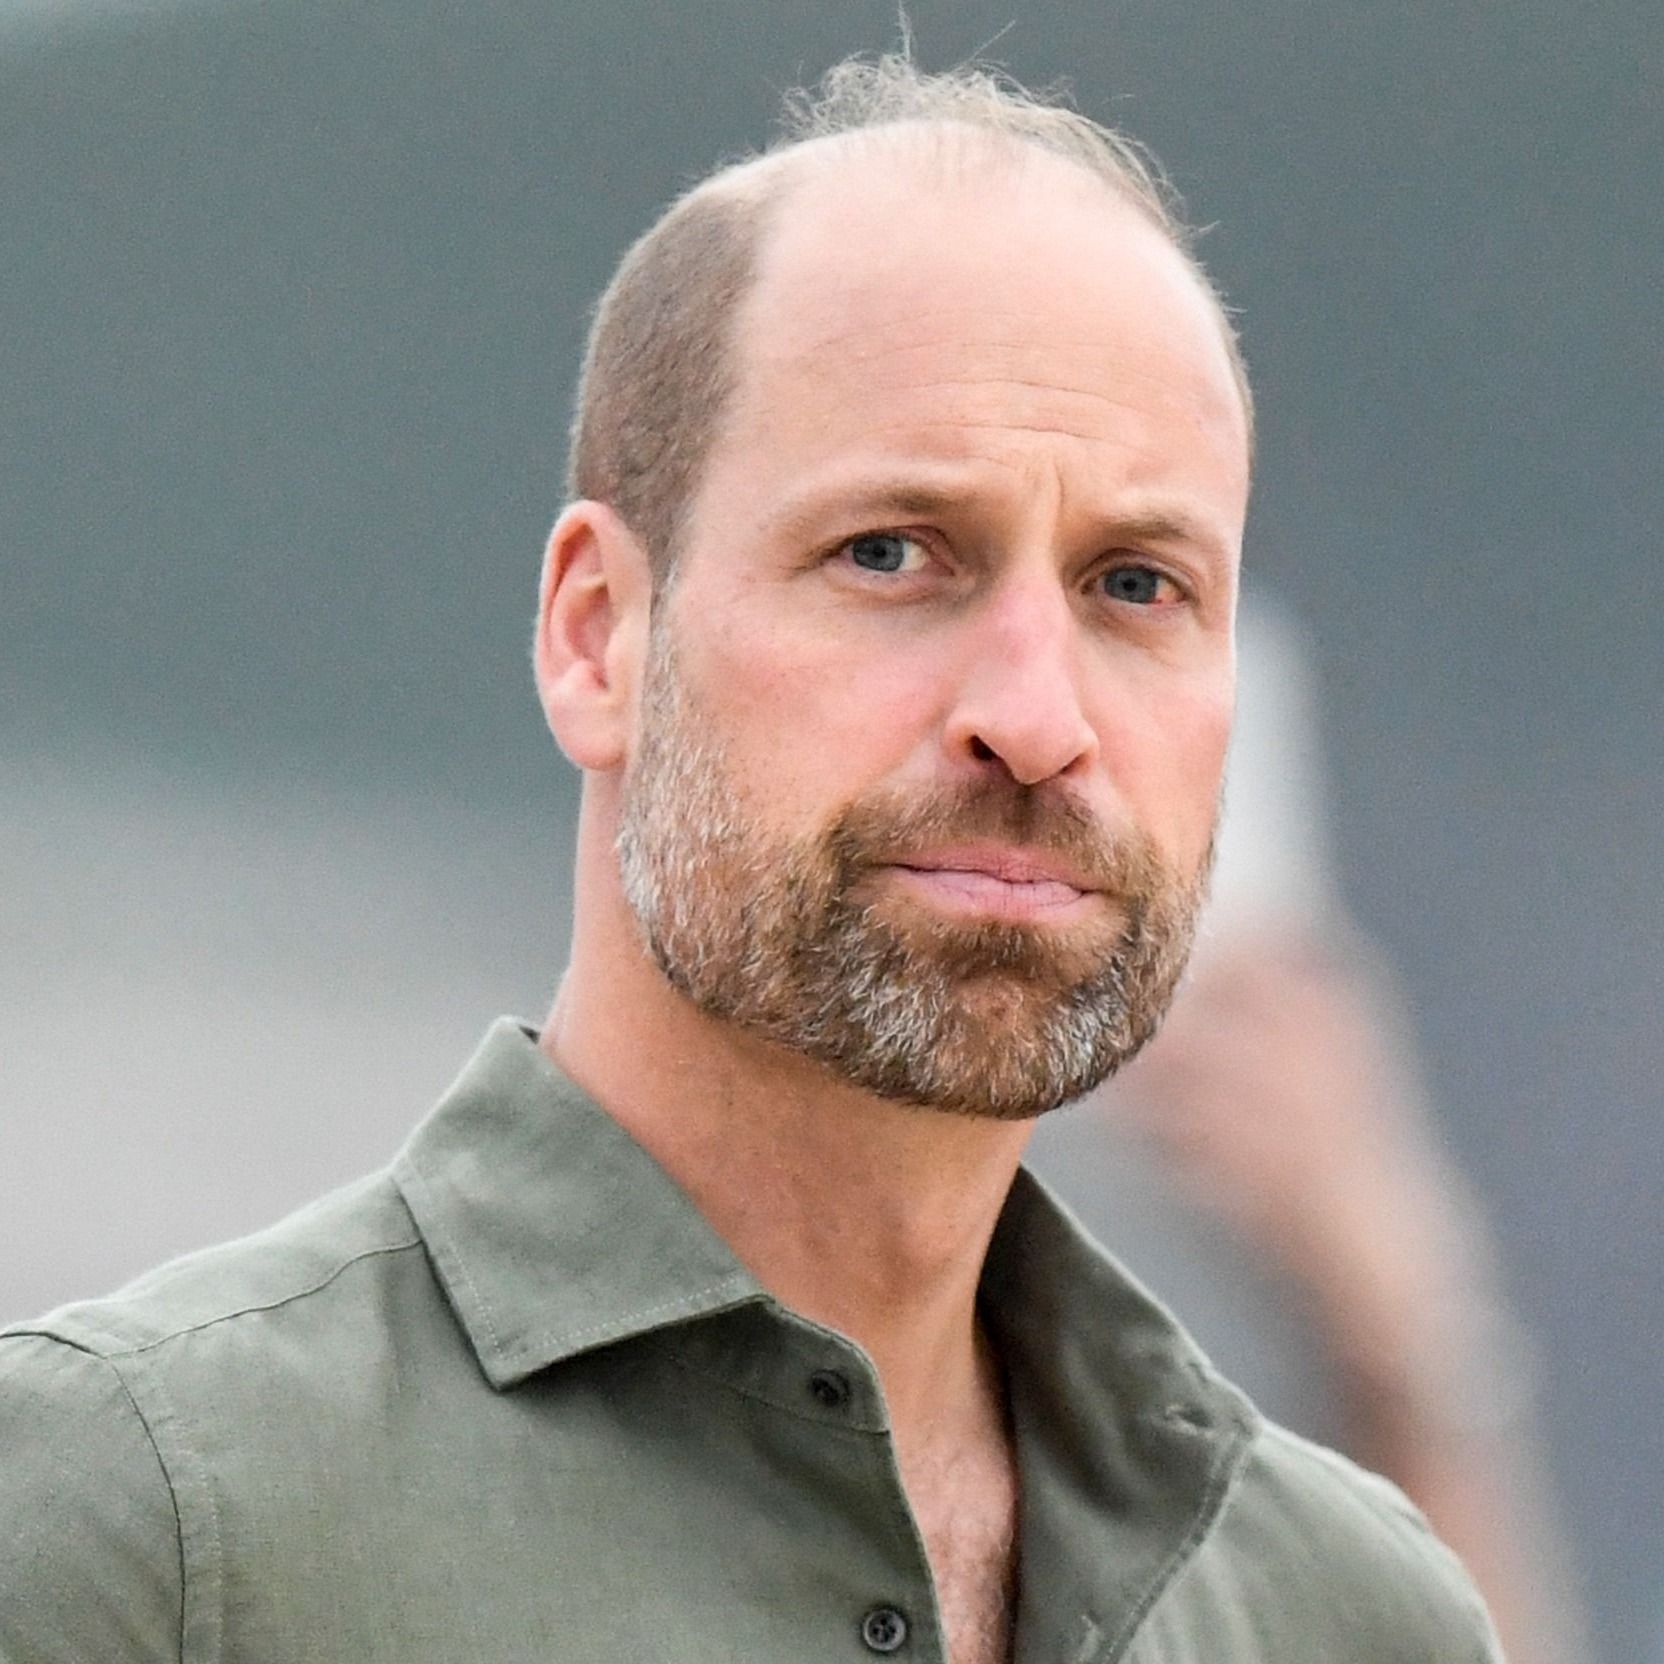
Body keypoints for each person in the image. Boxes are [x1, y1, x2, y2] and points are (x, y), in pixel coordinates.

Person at [0, 55, 1503, 1663]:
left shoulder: (1355, 1616)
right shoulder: (138, 1521)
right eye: (891, 554)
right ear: (599, 638)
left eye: (1136, 584)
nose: (1034, 720)